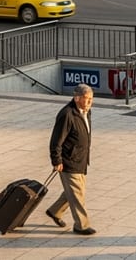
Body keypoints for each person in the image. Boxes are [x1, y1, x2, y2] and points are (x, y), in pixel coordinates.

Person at [47, 83, 96, 235]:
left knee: (75, 191)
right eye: (86, 99)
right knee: (77, 194)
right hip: (68, 161)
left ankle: (55, 211)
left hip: (80, 160)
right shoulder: (67, 114)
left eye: (91, 99)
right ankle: (82, 225)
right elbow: (56, 141)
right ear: (76, 98)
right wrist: (57, 161)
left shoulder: (86, 112)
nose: (89, 102)